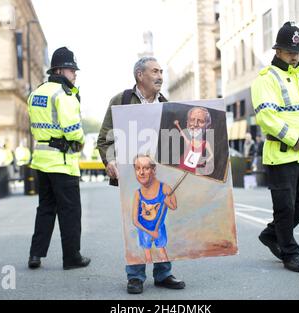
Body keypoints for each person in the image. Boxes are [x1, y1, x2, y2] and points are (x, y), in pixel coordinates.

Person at [97, 56, 185, 294]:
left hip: (158, 174)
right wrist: (110, 160)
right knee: (135, 222)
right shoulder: (122, 100)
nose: (160, 76)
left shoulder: (167, 104)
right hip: (131, 175)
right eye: (155, 71)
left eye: (161, 71)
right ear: (140, 75)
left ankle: (163, 273)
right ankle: (135, 276)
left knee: (161, 219)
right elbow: (105, 137)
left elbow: (174, 144)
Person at [251, 22, 299, 273]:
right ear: (278, 51)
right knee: (285, 207)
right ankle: (290, 253)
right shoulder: (266, 79)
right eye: (289, 50)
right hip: (282, 154)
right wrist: (294, 138)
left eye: (296, 50)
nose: (294, 55)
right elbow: (266, 117)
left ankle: (272, 235)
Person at [27, 47, 90, 270]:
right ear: (61, 70)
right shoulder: (64, 94)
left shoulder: (36, 93)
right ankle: (72, 258)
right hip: (62, 162)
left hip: (41, 159)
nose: (75, 75)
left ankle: (35, 254)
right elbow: (73, 130)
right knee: (70, 211)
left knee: (45, 207)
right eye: (72, 70)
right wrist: (80, 139)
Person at [132, 154, 177, 264]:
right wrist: (151, 233)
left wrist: (167, 201)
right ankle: (140, 275)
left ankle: (164, 274)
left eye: (146, 168)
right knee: (147, 256)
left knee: (162, 253)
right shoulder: (138, 194)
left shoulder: (165, 188)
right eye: (138, 168)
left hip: (159, 228)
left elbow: (174, 206)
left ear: (153, 170)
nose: (141, 172)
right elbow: (135, 221)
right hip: (144, 229)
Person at [174, 107, 214, 176]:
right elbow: (182, 132)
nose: (195, 124)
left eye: (201, 121)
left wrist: (206, 160)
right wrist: (177, 125)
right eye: (192, 120)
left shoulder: (206, 143)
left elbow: (211, 155)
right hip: (182, 168)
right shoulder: (189, 142)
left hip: (193, 170)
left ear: (207, 126)